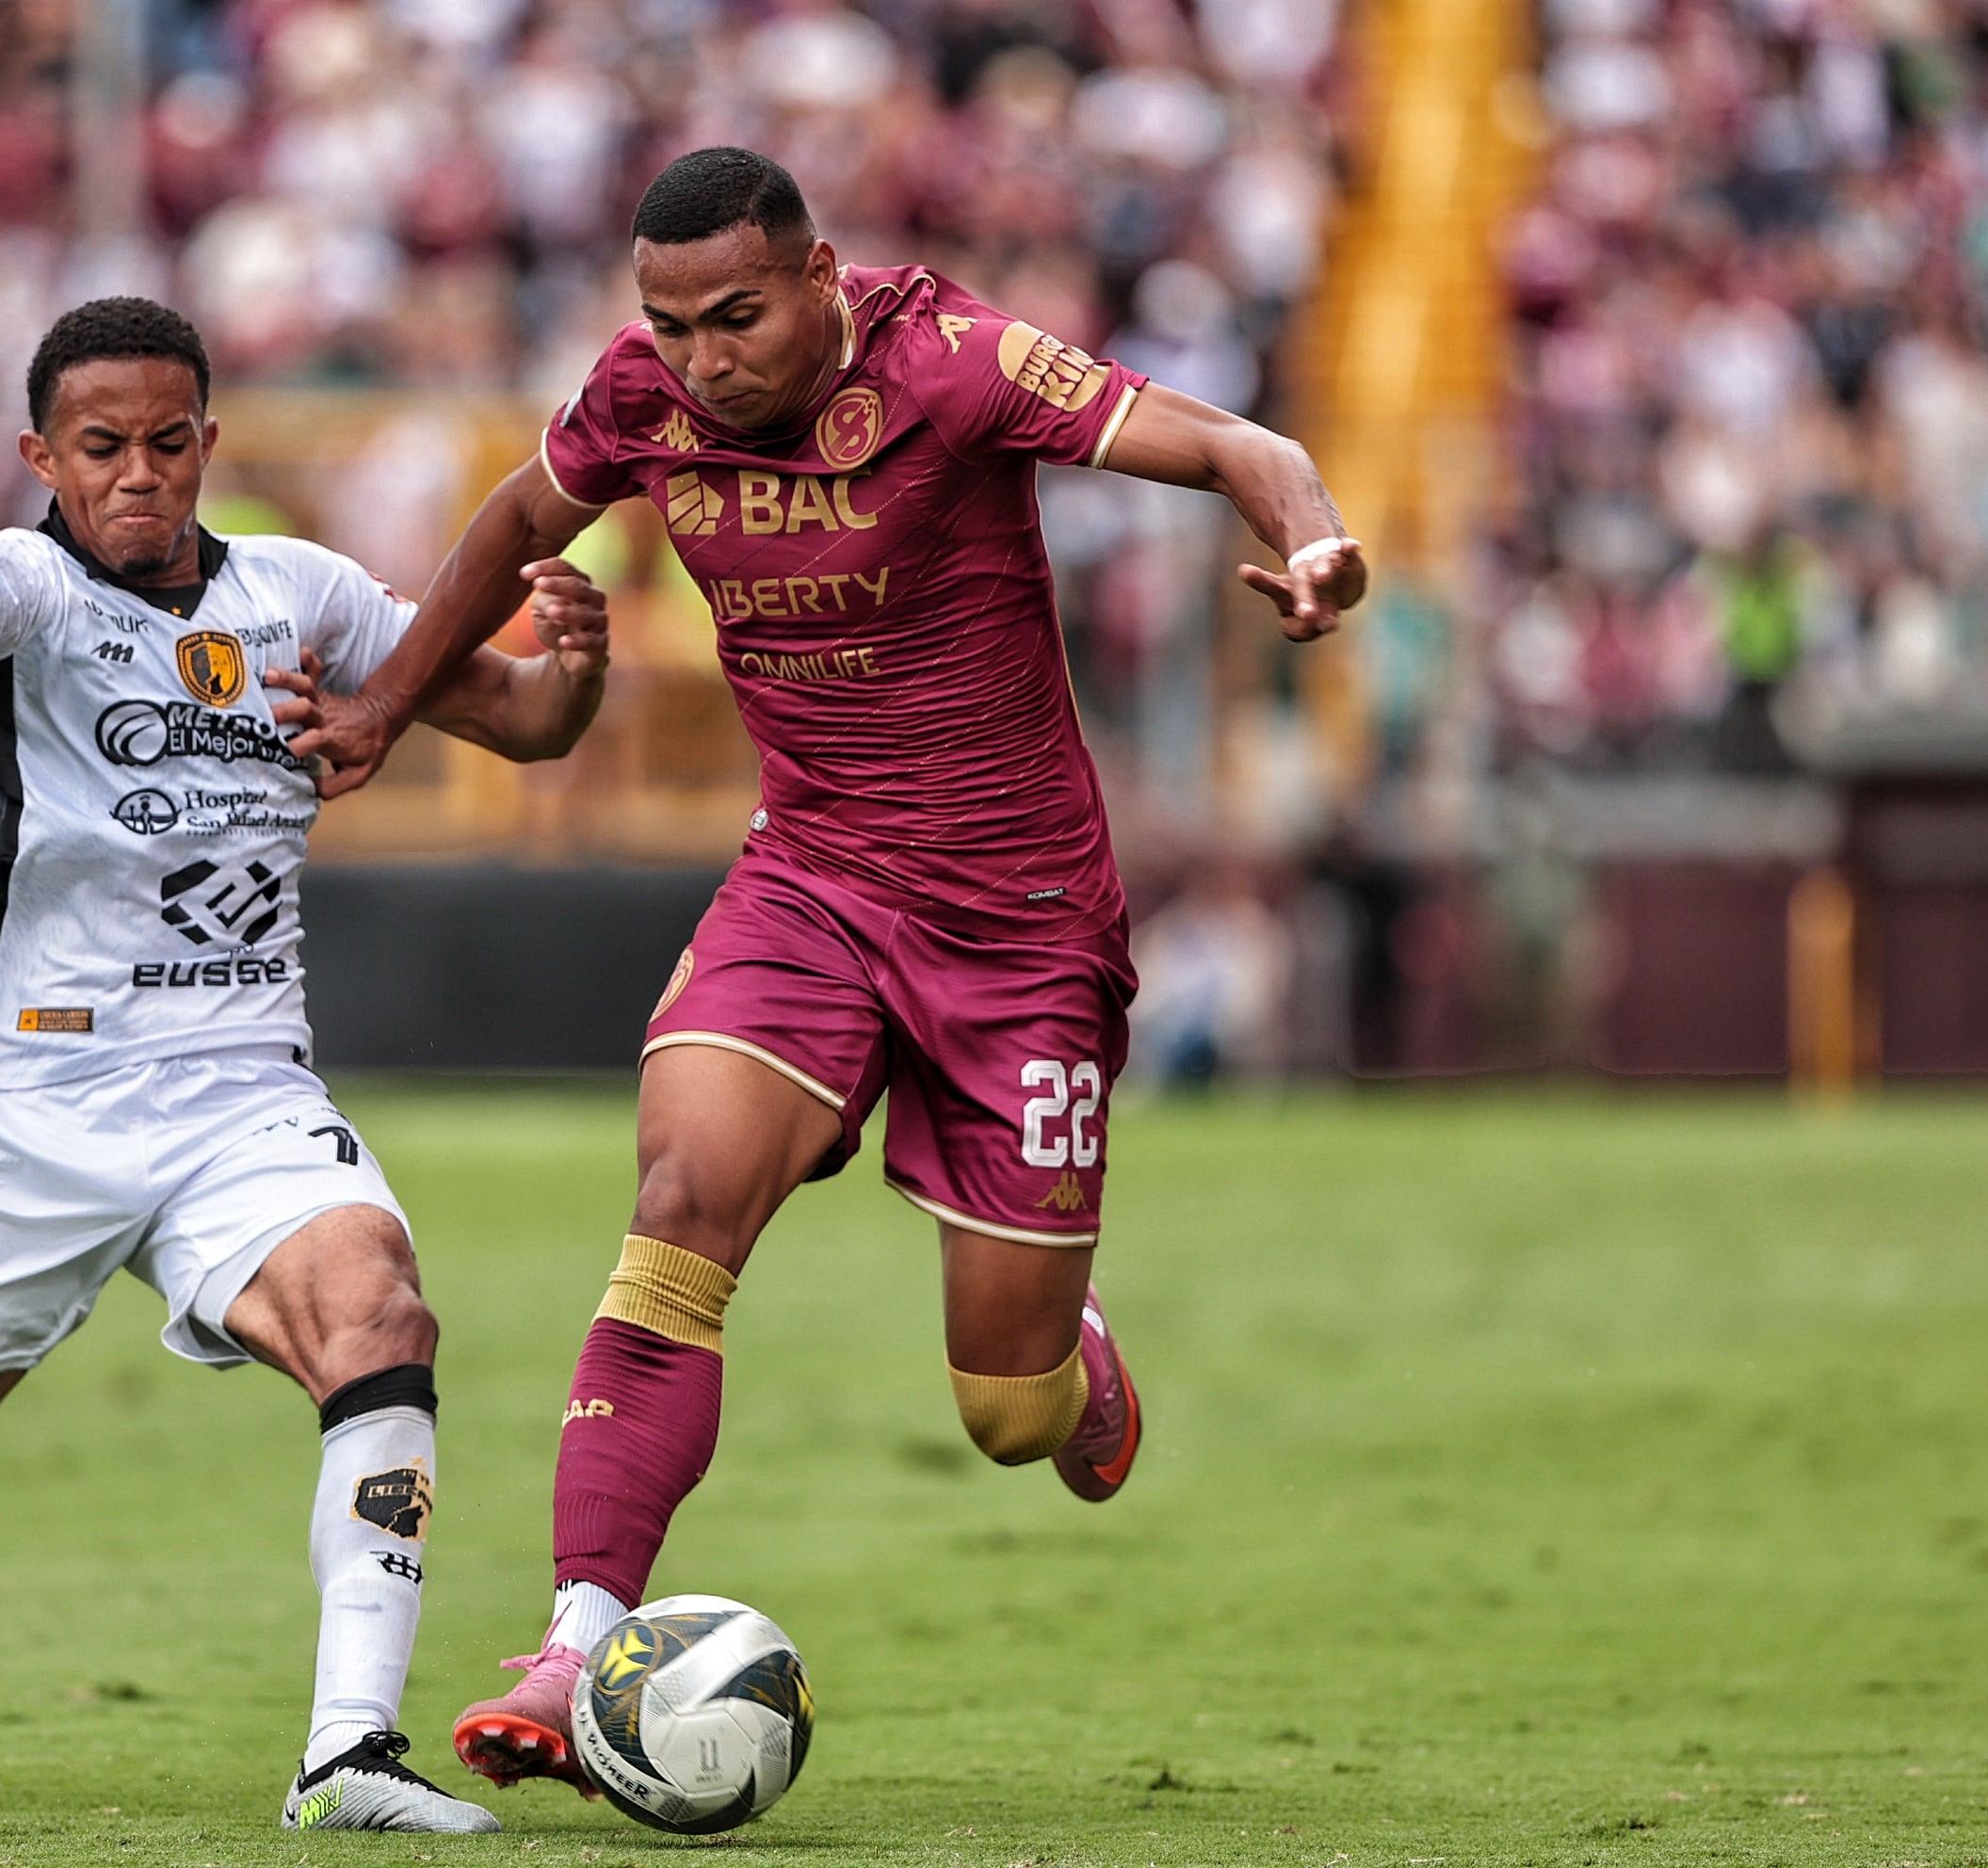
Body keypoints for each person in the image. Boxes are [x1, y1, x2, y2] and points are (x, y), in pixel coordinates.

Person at [289, 148, 1366, 1795]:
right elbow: (518, 516)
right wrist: (388, 705)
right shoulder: (643, 396)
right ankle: (581, 1638)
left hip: (1018, 930)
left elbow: (1240, 443)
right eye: (670, 324)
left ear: (822, 277)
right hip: (814, 880)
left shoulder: (957, 362)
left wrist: (1314, 544)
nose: (704, 361)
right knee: (679, 1204)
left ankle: (1068, 1352)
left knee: (1006, 1416)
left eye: (735, 318)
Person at [0, 296, 612, 1834]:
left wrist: (578, 669)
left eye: (165, 443)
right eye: (100, 448)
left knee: (381, 1313)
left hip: (243, 1095)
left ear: (209, 442)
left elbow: (526, 723)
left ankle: (349, 1754)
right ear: (39, 456)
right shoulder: (24, 590)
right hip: (28, 1117)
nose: (137, 475)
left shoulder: (301, 594)